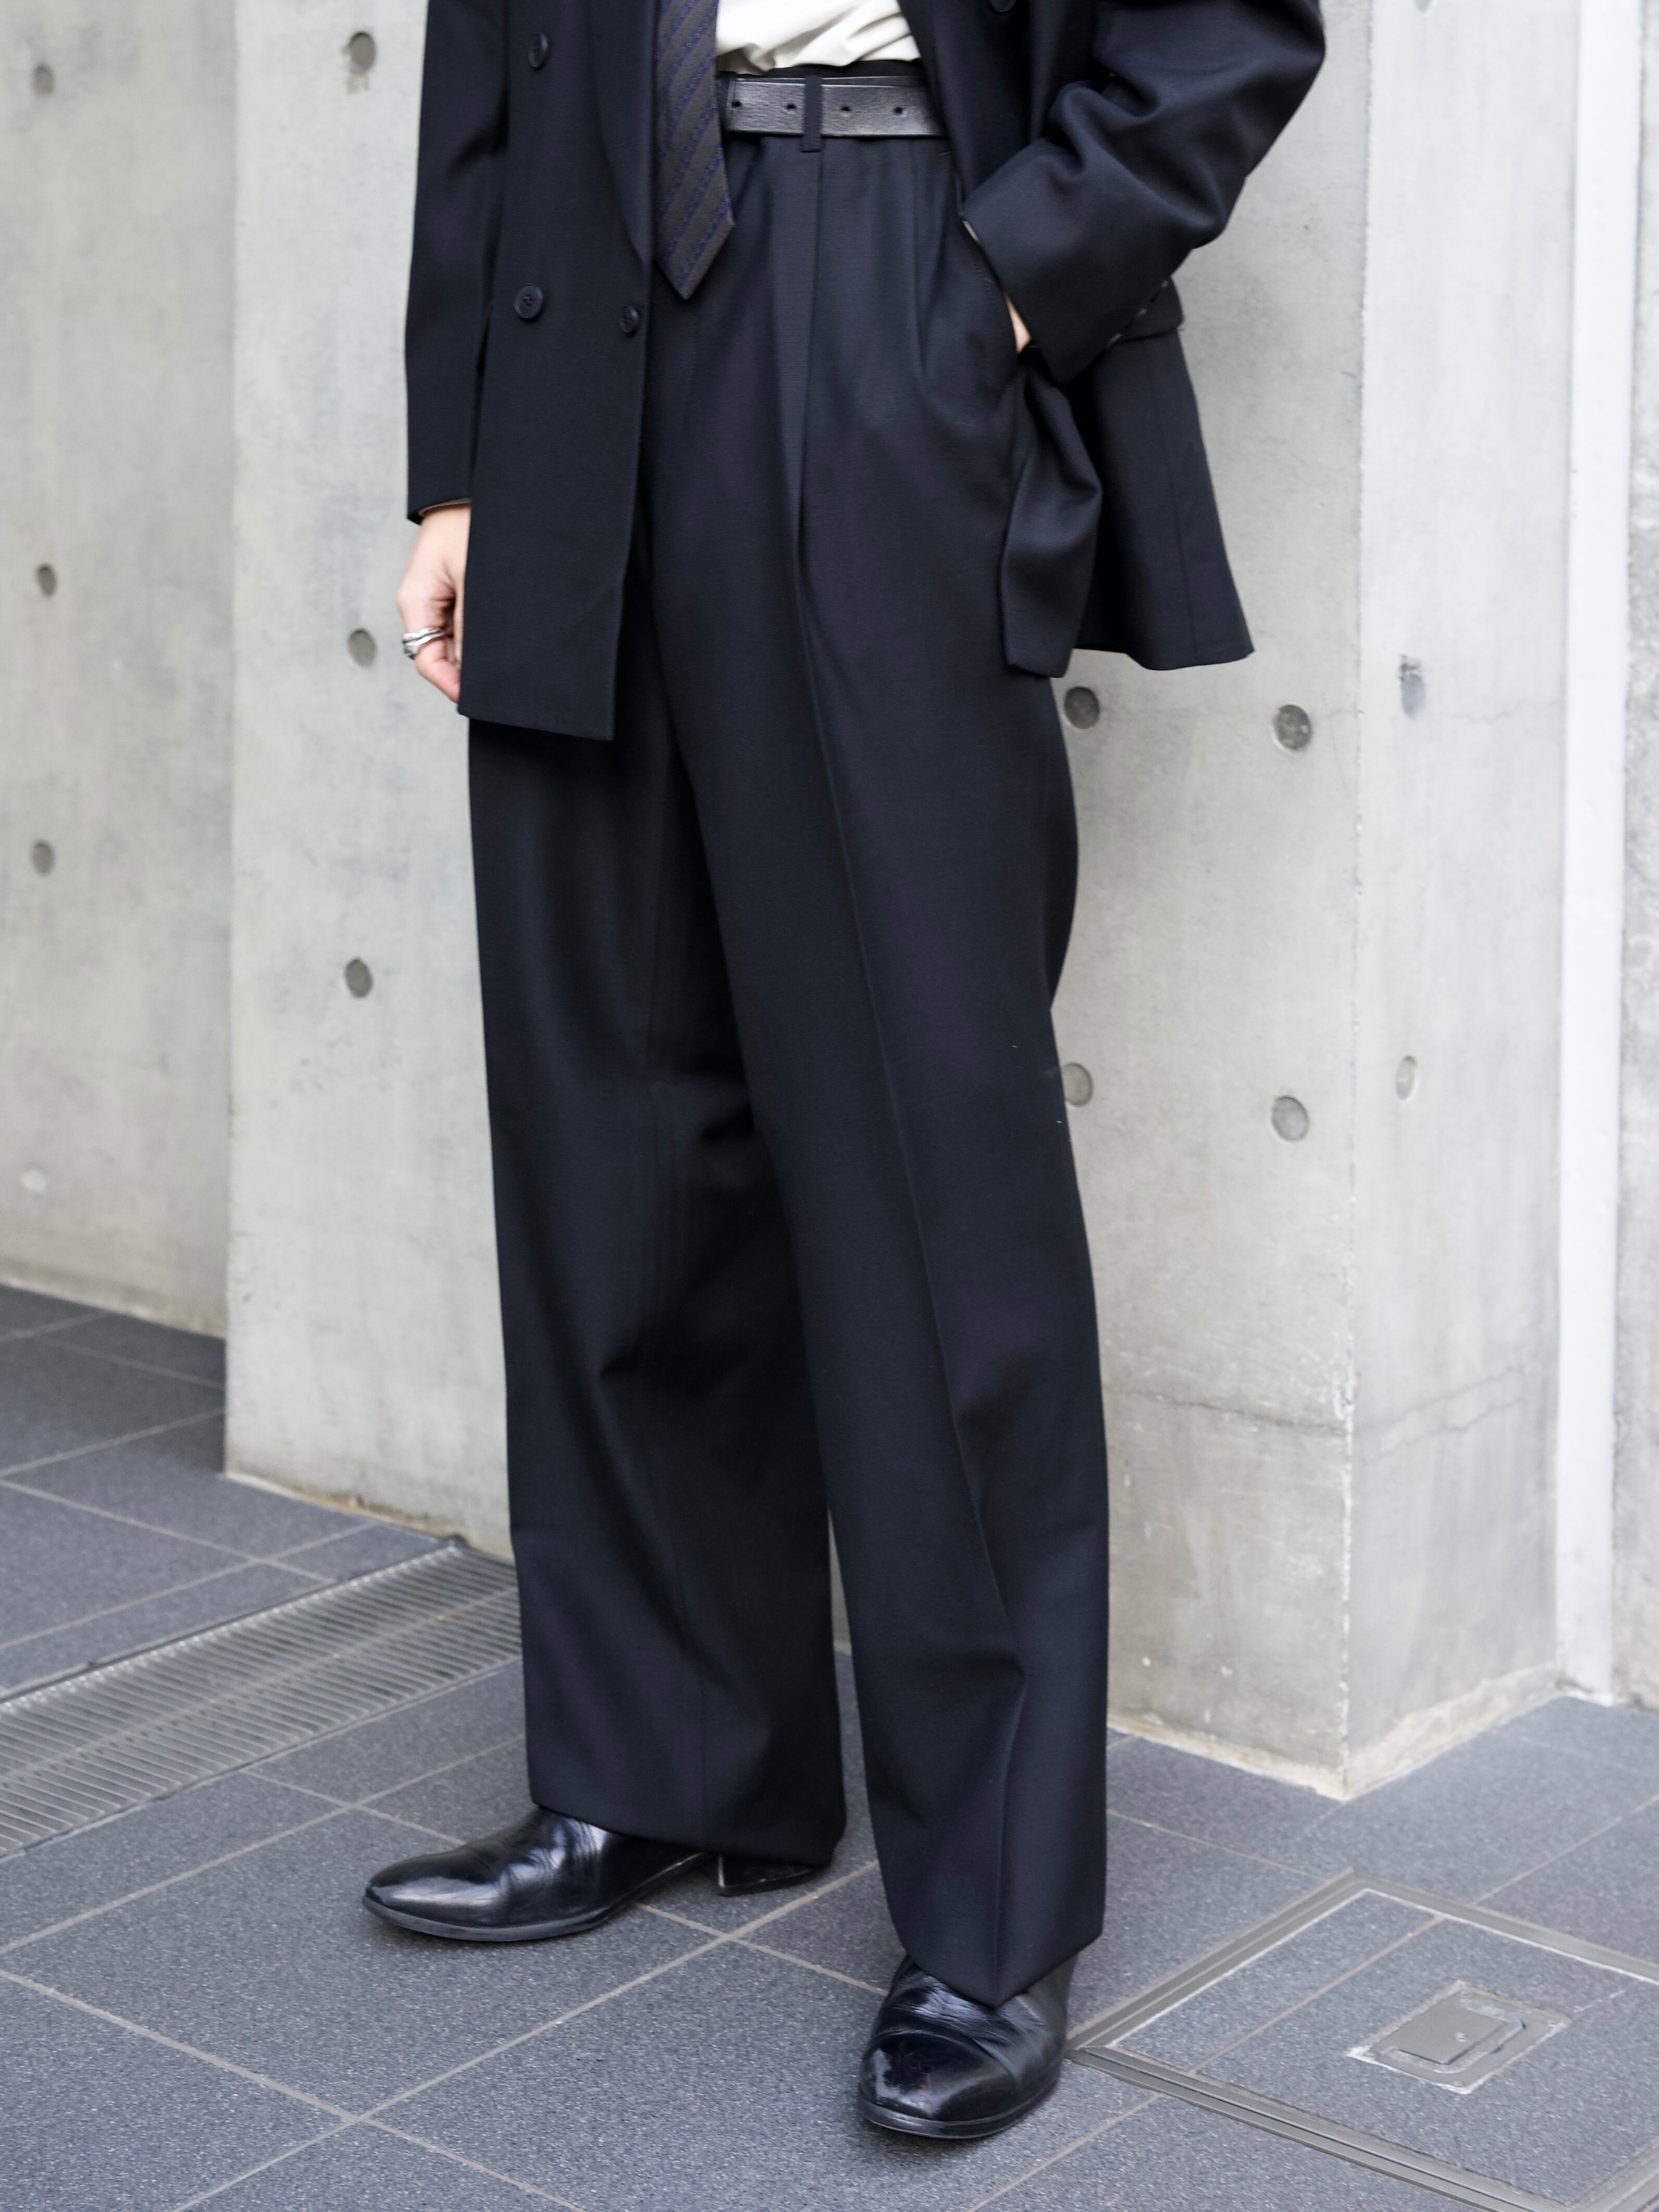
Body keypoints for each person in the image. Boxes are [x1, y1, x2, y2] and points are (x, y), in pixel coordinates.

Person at [365, 0, 1323, 2142]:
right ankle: (666, 1765)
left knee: (920, 1147)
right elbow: (488, 49)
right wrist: (457, 456)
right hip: (576, 326)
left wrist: (999, 283)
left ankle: (991, 1910)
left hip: (883, 263)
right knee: (610, 1102)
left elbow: (1226, 31)